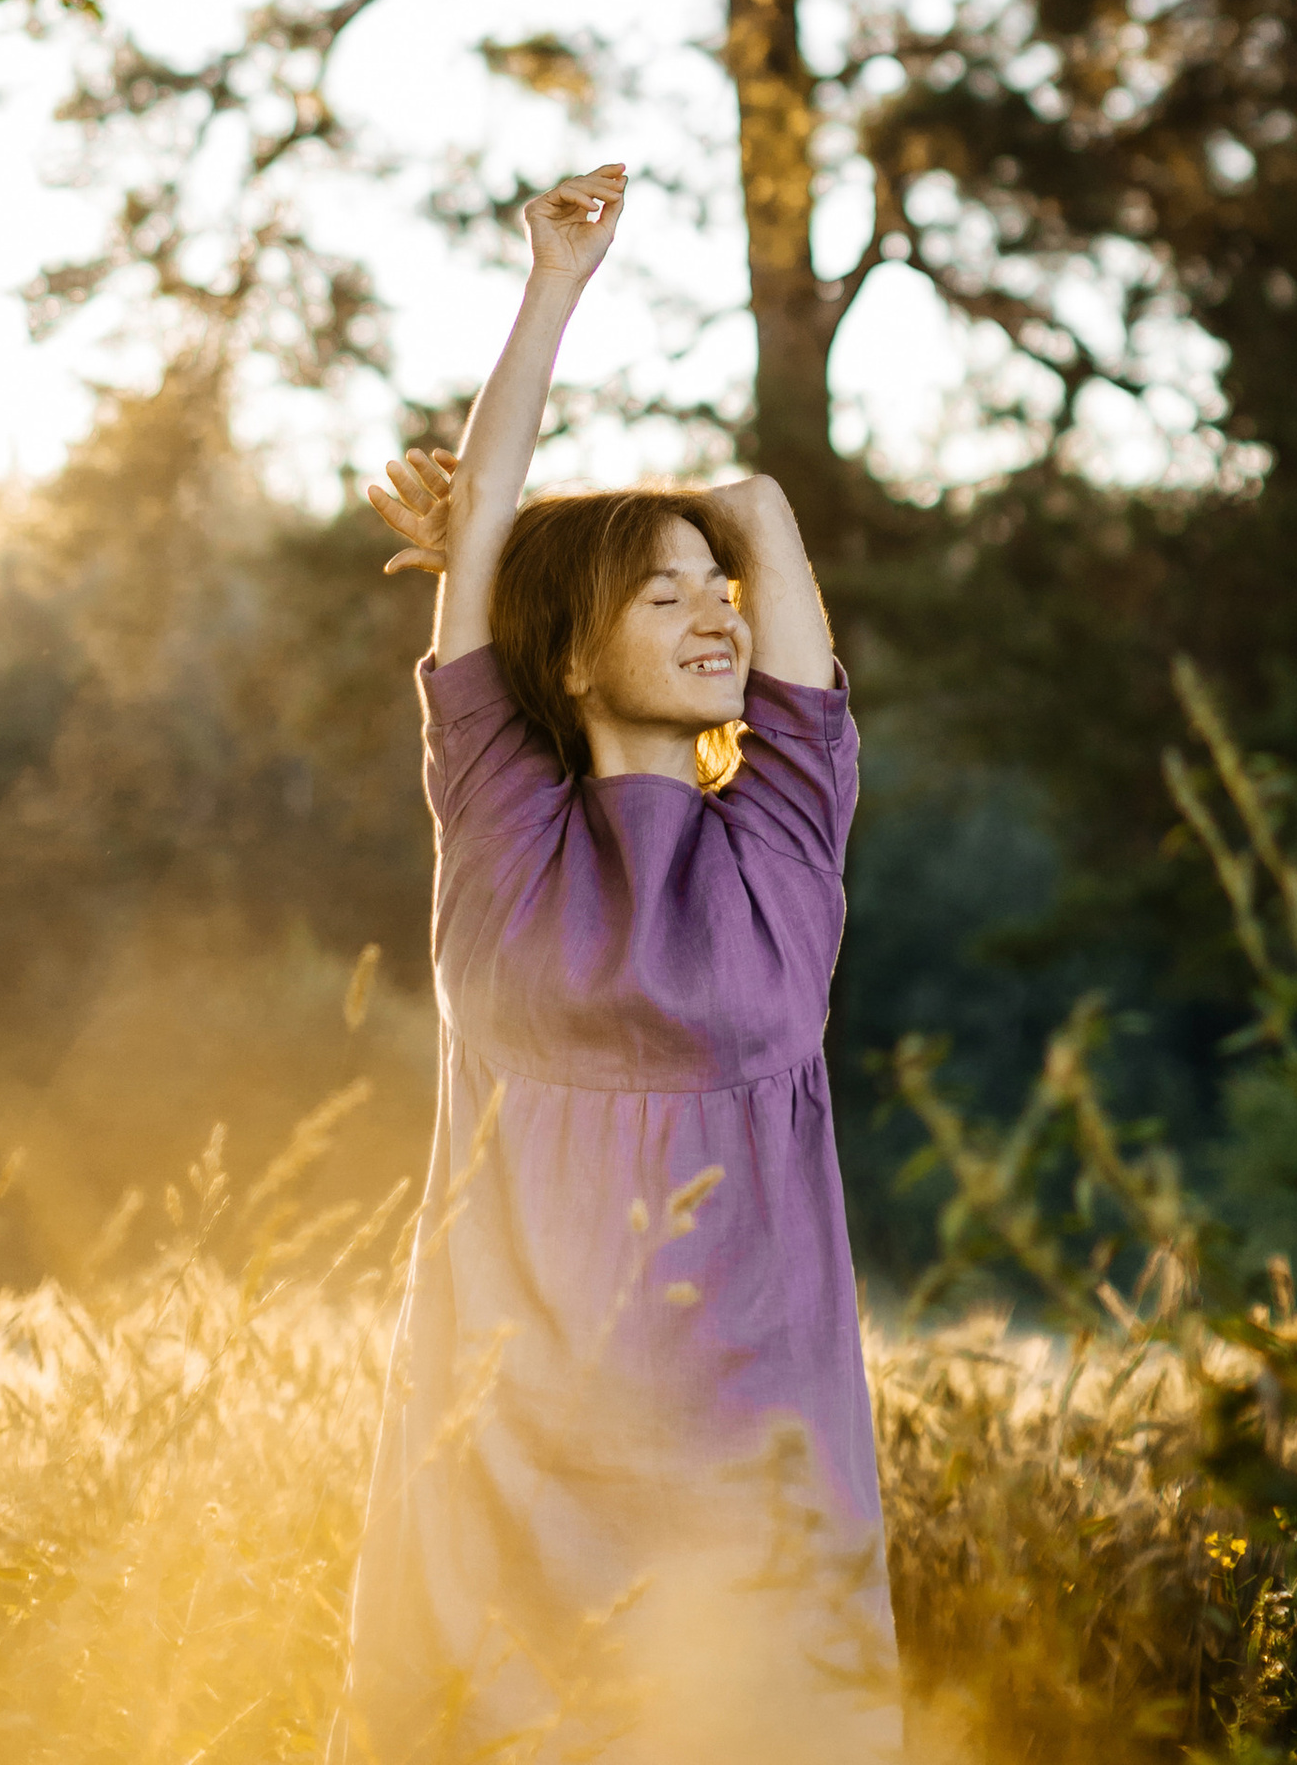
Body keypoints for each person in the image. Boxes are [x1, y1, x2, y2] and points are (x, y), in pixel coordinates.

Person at [332, 163, 901, 1765]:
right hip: (506, 1449)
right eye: (663, 595)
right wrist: (554, 287)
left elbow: (771, 519)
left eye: (718, 592)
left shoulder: (784, 835)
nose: (719, 608)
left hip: (750, 1457)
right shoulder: (500, 822)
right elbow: (492, 574)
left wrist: (664, 525)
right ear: (571, 651)